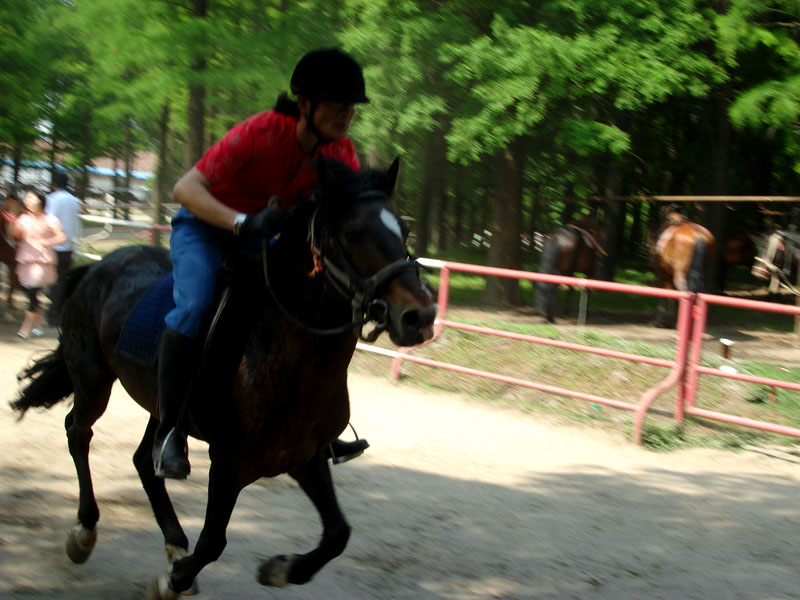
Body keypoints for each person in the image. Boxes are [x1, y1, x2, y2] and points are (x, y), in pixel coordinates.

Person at [154, 48, 372, 479]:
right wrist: (242, 222)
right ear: (305, 105)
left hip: (265, 239)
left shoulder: (341, 152)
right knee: (196, 305)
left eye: (351, 105)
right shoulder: (259, 132)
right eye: (337, 104)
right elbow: (184, 188)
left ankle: (320, 427)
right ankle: (169, 430)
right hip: (205, 229)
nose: (347, 113)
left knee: (308, 307)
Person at [12, 188, 66, 338]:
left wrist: (48, 242)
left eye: (31, 198)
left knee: (32, 289)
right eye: (27, 198)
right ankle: (39, 322)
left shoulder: (50, 219)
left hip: (42, 260)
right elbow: (16, 237)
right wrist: (14, 225)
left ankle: (26, 325)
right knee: (30, 290)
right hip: (26, 259)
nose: (28, 201)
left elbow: (61, 236)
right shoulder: (23, 219)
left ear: (40, 201)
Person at [45, 171, 82, 326]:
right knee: (63, 279)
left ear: (53, 184)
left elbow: (48, 221)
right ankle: (60, 311)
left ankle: (54, 314)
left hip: (54, 246)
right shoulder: (74, 201)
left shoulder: (51, 199)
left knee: (53, 281)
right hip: (68, 246)